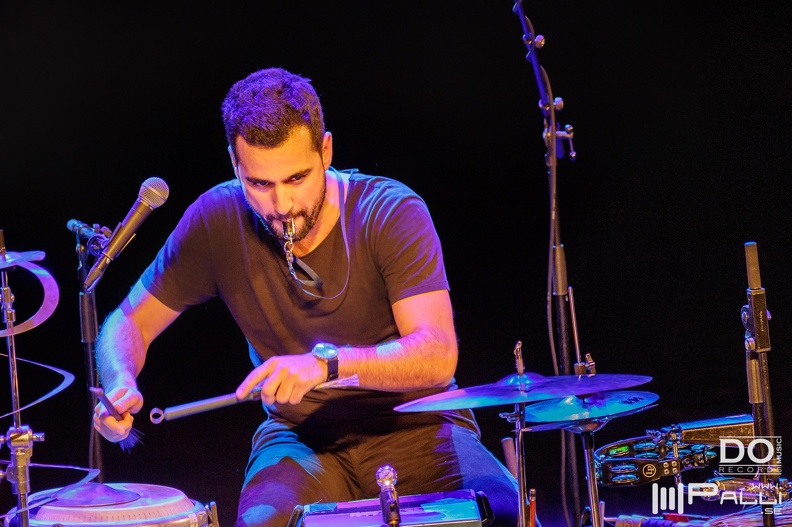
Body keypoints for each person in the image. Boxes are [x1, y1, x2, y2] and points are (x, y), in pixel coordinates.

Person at [93, 67, 521, 527]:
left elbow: (438, 355)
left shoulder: (390, 210)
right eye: (259, 184)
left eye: (296, 178)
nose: (281, 205)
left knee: (499, 512)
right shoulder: (215, 219)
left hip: (418, 424)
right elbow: (128, 321)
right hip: (299, 436)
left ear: (326, 151)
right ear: (235, 166)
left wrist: (327, 364)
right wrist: (120, 381)